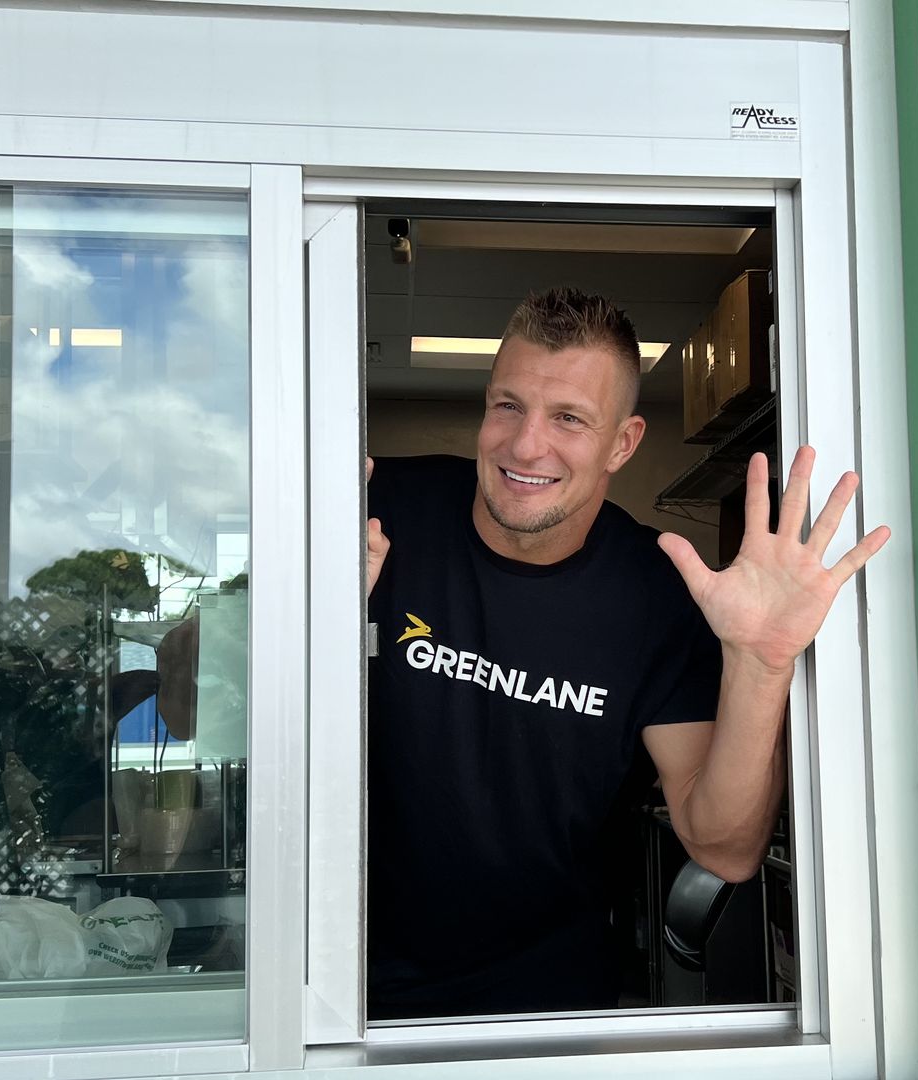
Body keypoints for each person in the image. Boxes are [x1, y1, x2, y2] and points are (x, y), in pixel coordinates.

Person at [364, 287, 890, 1019]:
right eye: (507, 405)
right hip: (338, 977)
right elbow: (209, 689)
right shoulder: (374, 505)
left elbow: (725, 847)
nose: (525, 445)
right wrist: (304, 608)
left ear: (623, 443)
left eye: (569, 419)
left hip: (543, 1003)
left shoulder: (658, 599)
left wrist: (761, 660)